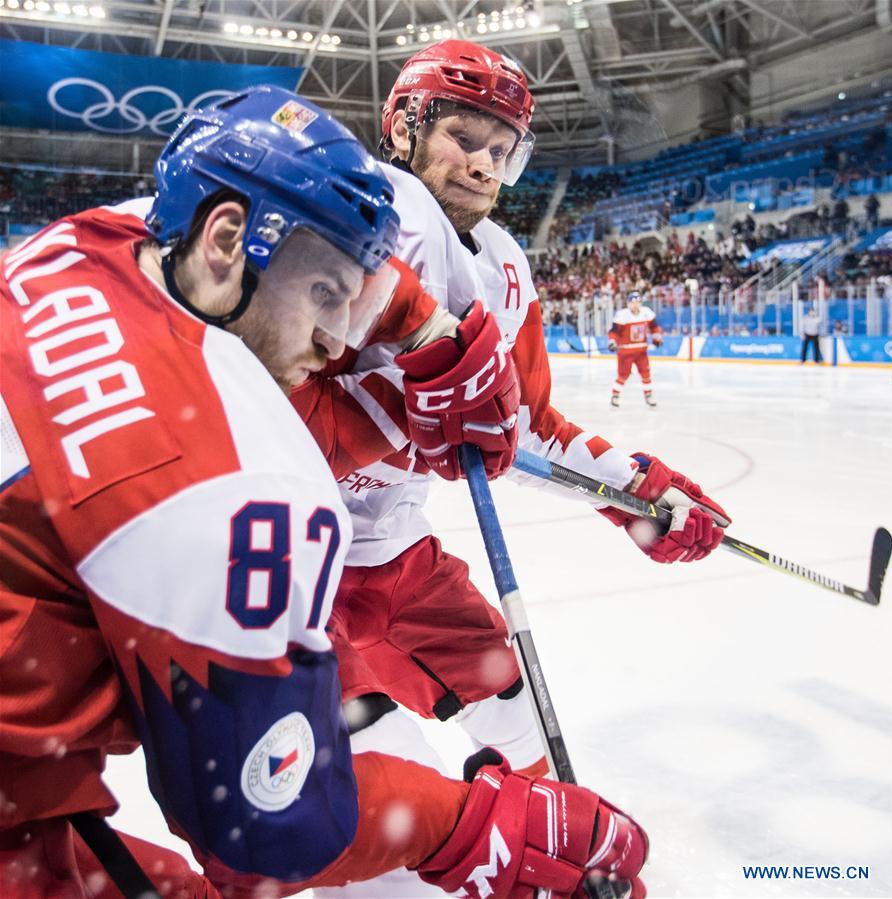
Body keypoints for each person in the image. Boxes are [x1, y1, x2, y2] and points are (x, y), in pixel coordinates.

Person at [0, 85, 648, 899]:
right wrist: (464, 824)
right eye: (324, 295)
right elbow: (266, 832)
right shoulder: (236, 493)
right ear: (229, 238)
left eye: (355, 302)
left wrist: (427, 332)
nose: (338, 340)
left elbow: (339, 272)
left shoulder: (89, 242)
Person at [291, 42, 732, 896]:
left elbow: (522, 428)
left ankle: (549, 847)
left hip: (397, 558)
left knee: (514, 708)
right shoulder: (357, 211)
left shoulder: (503, 263)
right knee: (377, 828)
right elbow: (255, 393)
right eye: (463, 135)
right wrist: (396, 414)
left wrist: (637, 492)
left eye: (503, 150)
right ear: (405, 125)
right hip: (289, 575)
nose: (485, 163)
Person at [608, 291, 664, 406]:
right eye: (632, 302)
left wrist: (657, 337)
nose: (635, 305)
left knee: (646, 373)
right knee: (623, 375)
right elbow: (614, 331)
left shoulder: (646, 313)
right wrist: (612, 341)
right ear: (628, 304)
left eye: (637, 302)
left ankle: (648, 396)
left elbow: (655, 327)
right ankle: (615, 395)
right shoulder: (622, 315)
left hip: (641, 351)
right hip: (625, 352)